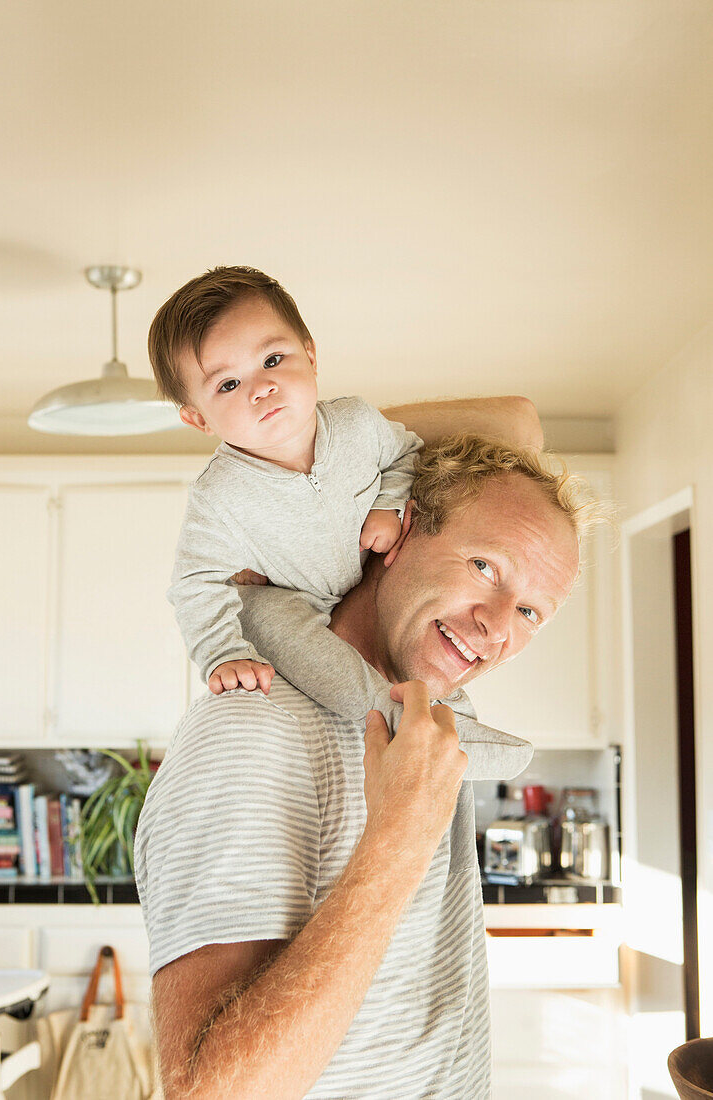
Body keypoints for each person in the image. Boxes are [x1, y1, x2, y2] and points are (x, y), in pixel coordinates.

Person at [135, 433, 601, 1099]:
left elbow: (518, 419)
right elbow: (208, 1092)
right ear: (400, 529)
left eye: (529, 610)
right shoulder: (250, 728)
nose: (497, 626)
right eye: (485, 566)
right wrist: (397, 842)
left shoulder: (427, 725)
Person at [147, 265, 543, 696]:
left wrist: (387, 505)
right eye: (228, 384)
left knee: (429, 653)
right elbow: (195, 583)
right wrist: (221, 653)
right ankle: (384, 710)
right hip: (295, 603)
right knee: (313, 657)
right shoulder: (219, 496)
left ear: (311, 357)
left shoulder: (357, 422)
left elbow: (405, 453)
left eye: (273, 360)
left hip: (375, 592)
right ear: (198, 418)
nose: (261, 387)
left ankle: (451, 716)